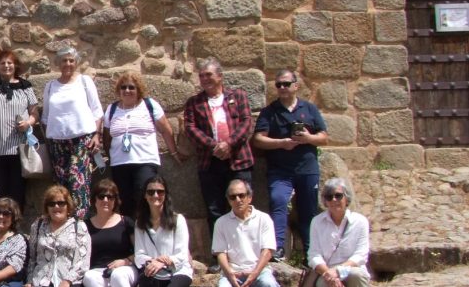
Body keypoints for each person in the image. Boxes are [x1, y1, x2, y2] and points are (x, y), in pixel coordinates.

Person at [252, 69, 329, 260]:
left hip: (307, 169)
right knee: (278, 202)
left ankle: (310, 252)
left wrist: (308, 138)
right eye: (278, 85)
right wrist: (282, 143)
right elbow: (258, 140)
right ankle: (278, 248)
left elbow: (324, 137)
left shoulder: (309, 109)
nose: (282, 88)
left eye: (286, 84)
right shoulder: (269, 112)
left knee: (308, 209)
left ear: (296, 86)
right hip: (280, 170)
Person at [183, 58, 255, 238]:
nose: (205, 79)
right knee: (214, 209)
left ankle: (246, 252)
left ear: (220, 76)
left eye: (209, 75)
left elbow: (247, 122)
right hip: (210, 163)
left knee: (243, 206)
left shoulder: (238, 96)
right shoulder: (194, 102)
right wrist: (215, 146)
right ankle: (219, 256)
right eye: (201, 76)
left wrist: (229, 143)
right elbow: (191, 129)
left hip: (238, 161)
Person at [101, 71, 182, 216]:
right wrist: (111, 156)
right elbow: (106, 137)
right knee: (124, 204)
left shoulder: (149, 105)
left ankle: (147, 234)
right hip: (120, 164)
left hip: (145, 161)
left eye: (131, 87)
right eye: (123, 87)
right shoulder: (112, 109)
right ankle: (131, 236)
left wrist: (174, 152)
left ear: (138, 89)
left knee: (145, 200)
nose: (127, 91)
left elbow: (166, 130)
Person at [41, 45, 103, 221]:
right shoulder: (51, 86)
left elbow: (97, 111)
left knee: (78, 185)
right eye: (64, 60)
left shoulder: (84, 81)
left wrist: (96, 135)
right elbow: (45, 117)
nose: (67, 64)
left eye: (71, 60)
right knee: (60, 187)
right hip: (57, 143)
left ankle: (79, 225)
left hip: (81, 141)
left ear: (76, 62)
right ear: (58, 63)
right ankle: (62, 223)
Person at [304, 178, 373, 287]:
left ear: (346, 198)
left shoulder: (360, 221)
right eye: (329, 197)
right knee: (323, 285)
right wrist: (329, 273)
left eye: (338, 195)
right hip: (328, 272)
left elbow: (361, 255)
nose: (334, 200)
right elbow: (313, 254)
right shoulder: (317, 222)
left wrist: (338, 271)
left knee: (357, 274)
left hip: (351, 269)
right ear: (325, 201)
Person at [0, 49, 39, 209]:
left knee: (17, 191)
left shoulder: (26, 87)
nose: (6, 66)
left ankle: (15, 227)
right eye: (2, 63)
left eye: (9, 63)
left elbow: (34, 113)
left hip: (19, 149)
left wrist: (28, 123)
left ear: (15, 65)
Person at [83, 179, 139, 287]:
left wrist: (125, 261)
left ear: (116, 200)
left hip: (125, 267)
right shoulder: (86, 225)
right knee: (89, 277)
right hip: (99, 270)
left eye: (110, 197)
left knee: (119, 275)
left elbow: (141, 251)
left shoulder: (126, 222)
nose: (106, 200)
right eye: (102, 196)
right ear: (94, 199)